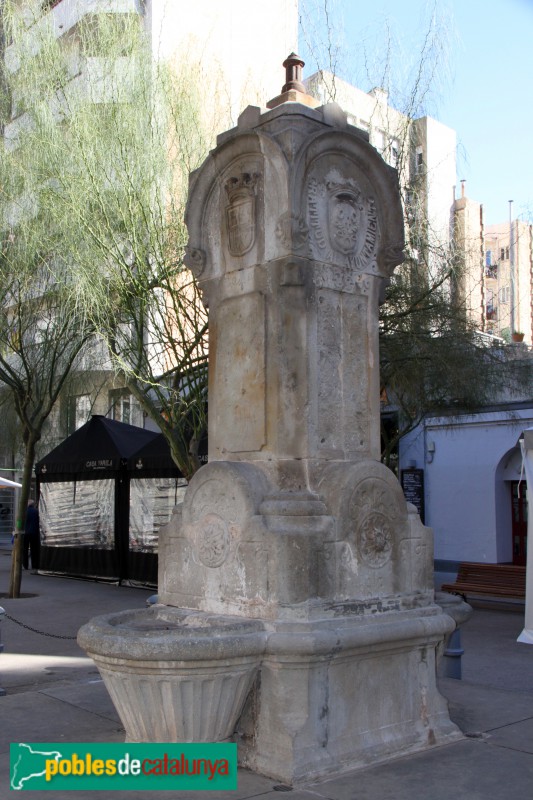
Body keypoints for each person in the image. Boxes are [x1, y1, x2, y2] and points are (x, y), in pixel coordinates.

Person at [23, 498, 40, 572]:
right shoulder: (36, 512)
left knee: (25, 549)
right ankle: (34, 564)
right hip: (34, 533)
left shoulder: (24, 512)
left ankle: (25, 565)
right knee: (34, 549)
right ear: (34, 505)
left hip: (25, 533)